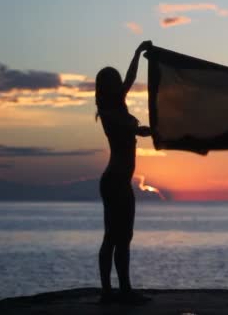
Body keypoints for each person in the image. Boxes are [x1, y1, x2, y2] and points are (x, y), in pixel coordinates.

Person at [95, 40, 153, 304]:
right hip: (114, 181)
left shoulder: (118, 105)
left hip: (121, 182)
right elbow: (124, 126)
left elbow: (130, 79)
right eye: (111, 82)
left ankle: (123, 289)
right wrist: (138, 130)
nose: (117, 85)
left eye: (116, 81)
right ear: (103, 88)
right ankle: (110, 291)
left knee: (123, 237)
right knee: (113, 237)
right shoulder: (108, 112)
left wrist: (137, 53)